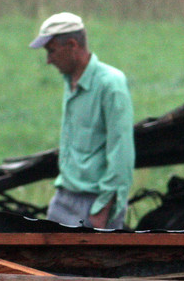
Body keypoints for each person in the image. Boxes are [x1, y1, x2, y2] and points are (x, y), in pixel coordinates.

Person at [30, 12, 135, 229]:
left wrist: (102, 208)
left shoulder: (110, 84)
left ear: (72, 45)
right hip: (65, 197)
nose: (48, 60)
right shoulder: (70, 81)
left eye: (52, 51)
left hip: (94, 202)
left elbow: (121, 152)